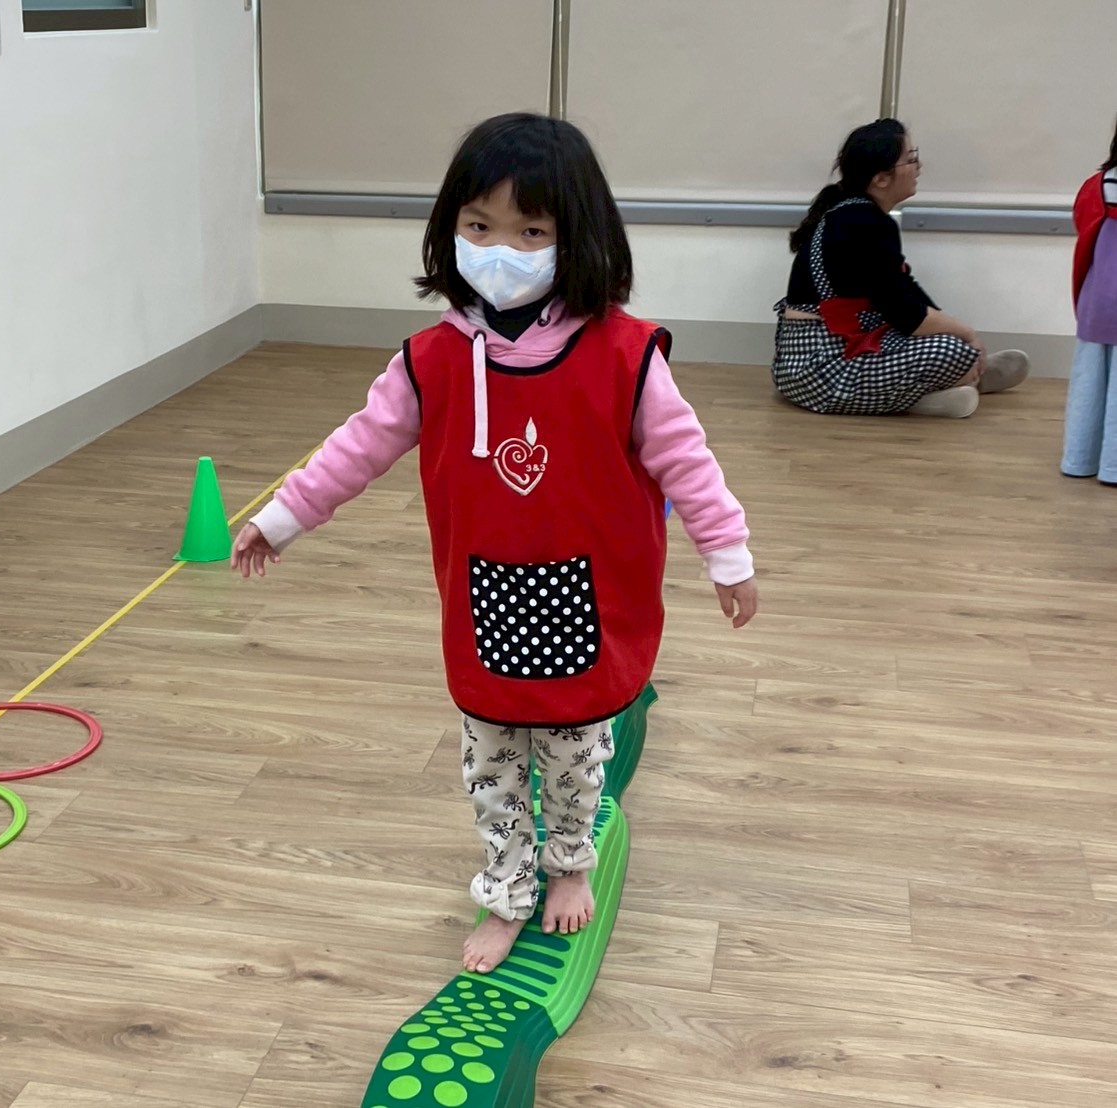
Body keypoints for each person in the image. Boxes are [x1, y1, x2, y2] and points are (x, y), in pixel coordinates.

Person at [231, 112, 757, 974]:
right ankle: (505, 888)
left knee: (574, 756)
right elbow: (358, 445)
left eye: (529, 232)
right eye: (478, 227)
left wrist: (726, 555)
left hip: (589, 596)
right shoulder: (431, 360)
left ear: (577, 238)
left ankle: (570, 864)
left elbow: (686, 461)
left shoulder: (625, 356)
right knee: (492, 764)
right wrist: (283, 515)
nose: (499, 250)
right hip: (483, 600)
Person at [774, 118, 1029, 418]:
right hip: (823, 374)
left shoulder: (855, 214)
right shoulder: (863, 223)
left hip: (806, 369)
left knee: (947, 342)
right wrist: (968, 336)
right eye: (910, 159)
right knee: (953, 350)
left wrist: (950, 330)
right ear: (882, 179)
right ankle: (962, 378)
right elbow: (906, 314)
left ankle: (949, 386)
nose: (918, 167)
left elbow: (906, 291)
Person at [1062, 116, 1117, 484]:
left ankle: (1079, 459)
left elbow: (1083, 226)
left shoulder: (1097, 184)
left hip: (1098, 299)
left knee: (1090, 384)